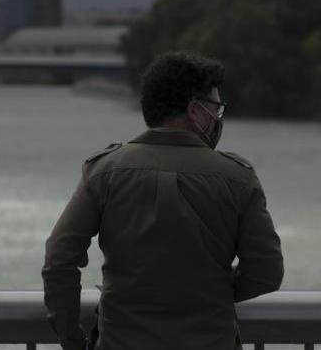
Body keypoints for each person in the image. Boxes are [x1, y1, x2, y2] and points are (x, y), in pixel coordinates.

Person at [42, 52, 283, 350]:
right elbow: (267, 272)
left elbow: (59, 259)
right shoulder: (237, 178)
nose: (218, 120)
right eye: (215, 110)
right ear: (195, 111)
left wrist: (72, 339)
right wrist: (208, 290)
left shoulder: (105, 171)